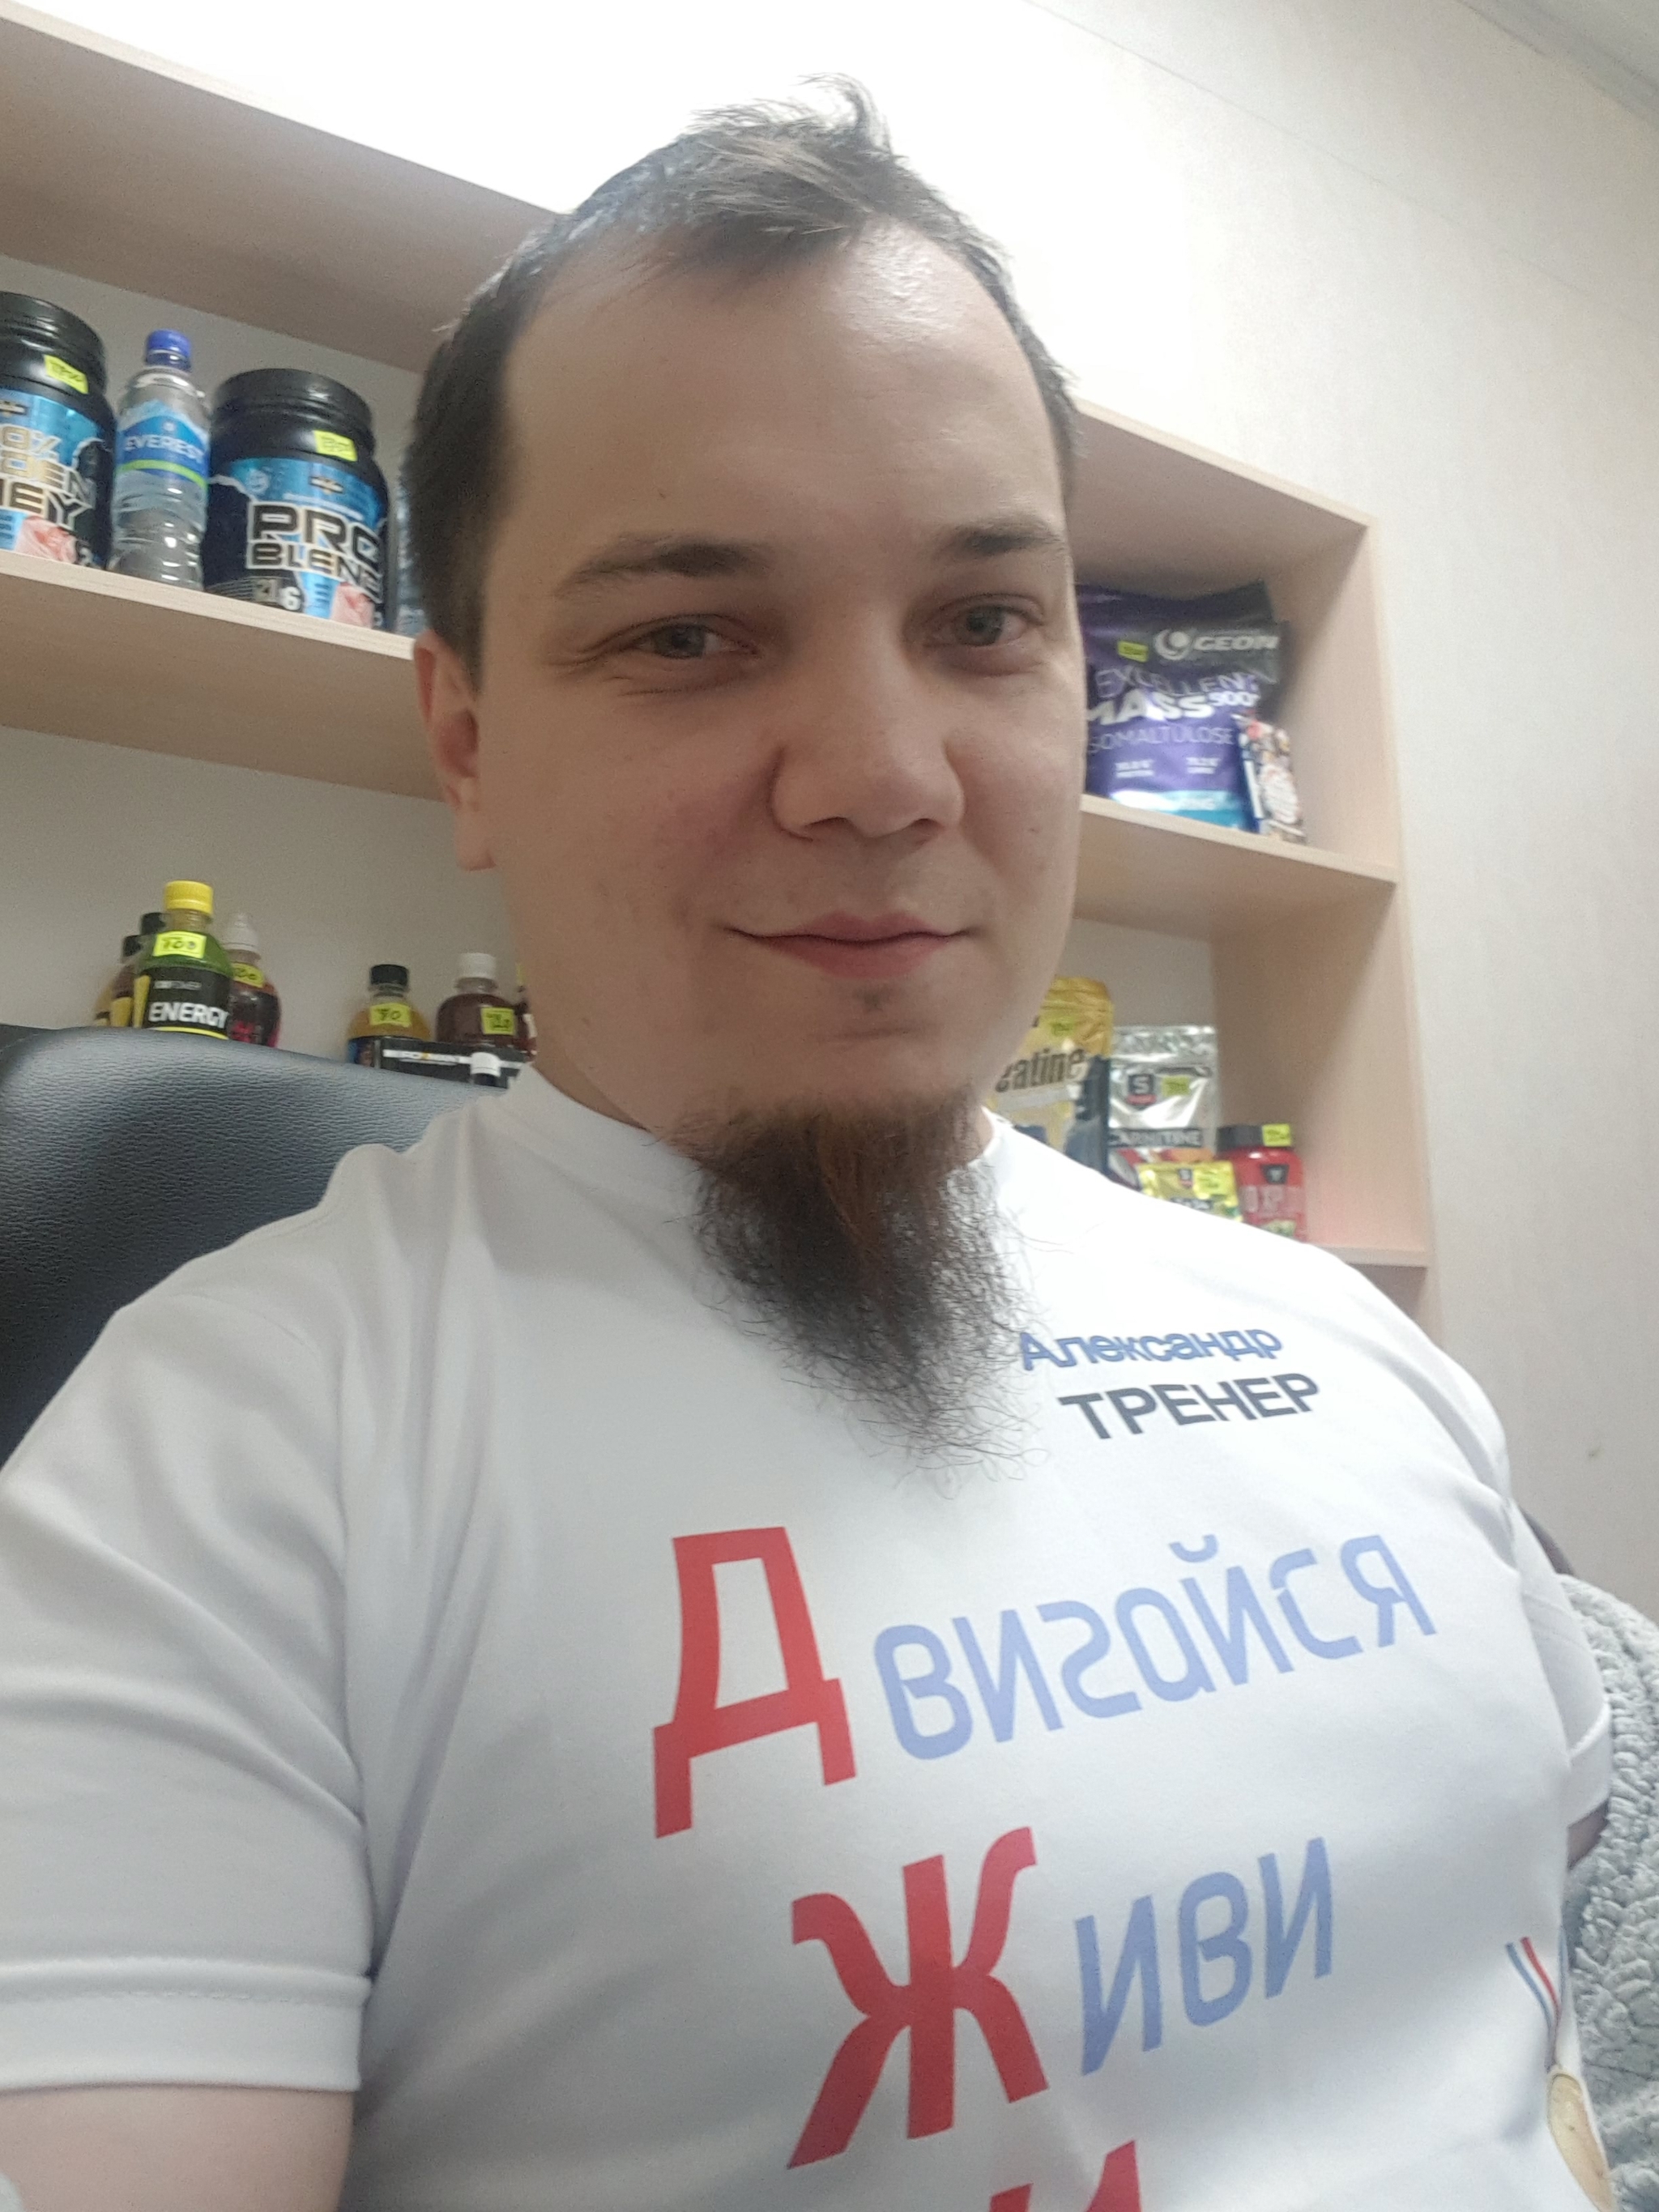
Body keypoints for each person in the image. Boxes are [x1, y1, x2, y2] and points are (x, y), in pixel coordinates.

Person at [0, 87, 1613, 2212]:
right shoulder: (218, 1470)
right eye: (689, 634)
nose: (881, 774)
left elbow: (1546, 2040)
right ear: (466, 738)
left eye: (985, 621)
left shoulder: (1347, 1341)